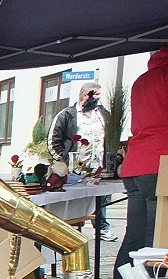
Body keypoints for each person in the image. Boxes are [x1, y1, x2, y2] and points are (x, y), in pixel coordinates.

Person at [111, 20, 168, 279]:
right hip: (167, 167)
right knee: (162, 244)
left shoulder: (145, 78)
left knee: (135, 240)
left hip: (139, 164)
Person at [47, 82, 117, 241]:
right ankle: (72, 229)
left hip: (98, 166)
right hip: (74, 167)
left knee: (101, 197)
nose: (97, 98)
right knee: (74, 199)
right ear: (84, 95)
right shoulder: (67, 114)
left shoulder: (103, 114)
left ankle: (102, 228)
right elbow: (53, 139)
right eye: (95, 94)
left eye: (99, 95)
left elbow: (111, 136)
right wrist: (62, 161)